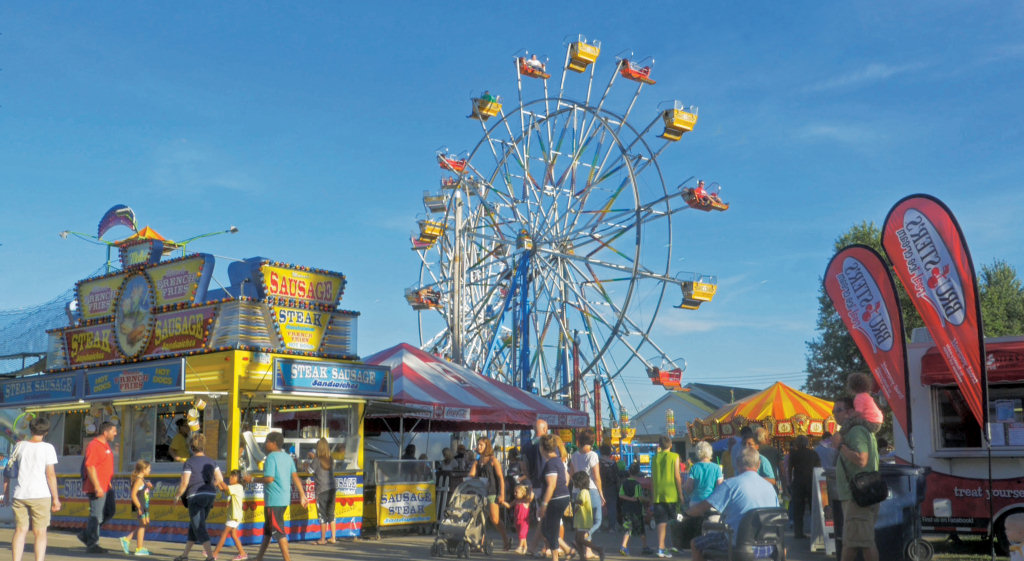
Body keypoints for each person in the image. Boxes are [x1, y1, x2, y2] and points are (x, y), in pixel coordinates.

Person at [686, 447, 780, 561]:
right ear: (759, 464)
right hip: (768, 546)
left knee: (695, 544)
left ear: (736, 463)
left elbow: (701, 508)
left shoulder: (731, 485)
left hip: (738, 545)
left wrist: (686, 513)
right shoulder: (769, 487)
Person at [6, 416, 60, 561]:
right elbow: (50, 475)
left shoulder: (20, 445)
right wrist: (56, 499)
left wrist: (5, 493)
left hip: (20, 494)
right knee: (40, 532)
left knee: (20, 530)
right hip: (41, 494)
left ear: (30, 429)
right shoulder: (48, 448)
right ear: (46, 432)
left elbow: (9, 469)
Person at [834, 397, 880, 561]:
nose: (834, 414)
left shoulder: (856, 431)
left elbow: (862, 459)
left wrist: (840, 446)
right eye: (834, 411)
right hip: (858, 496)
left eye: (838, 410)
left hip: (857, 498)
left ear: (851, 412)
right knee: (852, 542)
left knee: (861, 544)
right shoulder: (857, 430)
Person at [254, 432, 309, 561]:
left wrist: (252, 480)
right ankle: (259, 557)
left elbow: (269, 479)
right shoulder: (287, 457)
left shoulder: (271, 458)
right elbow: (295, 477)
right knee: (268, 530)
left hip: (274, 500)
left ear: (273, 443)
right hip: (284, 499)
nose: (265, 444)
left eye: (267, 441)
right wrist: (302, 495)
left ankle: (287, 559)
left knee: (278, 531)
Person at [173, 433, 224, 561]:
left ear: (191, 447)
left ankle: (211, 557)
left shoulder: (189, 462)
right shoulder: (212, 461)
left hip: (195, 496)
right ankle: (184, 555)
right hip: (210, 495)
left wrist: (177, 495)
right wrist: (210, 486)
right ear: (203, 446)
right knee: (194, 526)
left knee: (199, 527)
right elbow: (220, 479)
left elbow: (185, 483)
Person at [78, 421, 118, 553]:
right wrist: (97, 486)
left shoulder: (105, 445)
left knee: (110, 511)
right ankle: (92, 543)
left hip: (106, 485)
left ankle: (86, 534)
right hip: (97, 486)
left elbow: (104, 466)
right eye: (114, 431)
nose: (115, 433)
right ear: (105, 432)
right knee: (97, 515)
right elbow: (90, 466)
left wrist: (108, 483)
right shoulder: (94, 445)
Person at [468, 436, 510, 550]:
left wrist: (502, 494)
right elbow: (471, 475)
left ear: (487, 446)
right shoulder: (478, 461)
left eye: (481, 445)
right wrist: (474, 465)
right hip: (481, 492)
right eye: (478, 444)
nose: (479, 447)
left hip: (492, 491)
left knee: (495, 519)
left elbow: (501, 478)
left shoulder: (493, 460)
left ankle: (506, 539)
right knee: (480, 519)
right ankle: (480, 543)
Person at [537, 433, 572, 561]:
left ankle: (555, 557)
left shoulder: (551, 463)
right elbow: (567, 478)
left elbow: (551, 485)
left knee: (550, 529)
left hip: (555, 499)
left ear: (543, 448)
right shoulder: (558, 460)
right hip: (562, 496)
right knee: (547, 528)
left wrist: (544, 504)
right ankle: (567, 550)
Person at [569, 428, 603, 549]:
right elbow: (597, 477)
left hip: (576, 491)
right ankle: (585, 538)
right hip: (591, 490)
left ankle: (585, 548)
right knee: (596, 521)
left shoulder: (574, 456)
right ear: (592, 441)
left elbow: (571, 474)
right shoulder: (592, 455)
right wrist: (601, 494)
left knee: (581, 521)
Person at [651, 435, 683, 559]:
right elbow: (677, 476)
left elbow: (653, 478)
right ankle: (676, 545)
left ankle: (661, 547)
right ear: (670, 445)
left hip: (658, 494)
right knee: (677, 519)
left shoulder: (654, 458)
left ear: (659, 446)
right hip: (671, 493)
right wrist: (680, 494)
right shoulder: (674, 456)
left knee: (661, 521)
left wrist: (652, 495)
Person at [522, 418, 550, 555]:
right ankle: (547, 547)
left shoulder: (528, 445)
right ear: (545, 429)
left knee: (542, 516)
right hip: (547, 484)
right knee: (547, 518)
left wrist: (528, 477)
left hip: (535, 483)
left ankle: (545, 547)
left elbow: (524, 465)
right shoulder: (548, 443)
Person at [786, 435, 820, 539]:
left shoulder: (793, 454)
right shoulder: (813, 453)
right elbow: (818, 468)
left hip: (798, 482)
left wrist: (789, 481)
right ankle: (815, 532)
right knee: (812, 507)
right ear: (807, 443)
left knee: (798, 509)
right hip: (811, 481)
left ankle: (798, 532)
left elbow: (789, 469)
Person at [618, 463, 652, 556]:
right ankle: (645, 547)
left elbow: (620, 495)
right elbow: (639, 497)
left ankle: (623, 546)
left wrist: (629, 498)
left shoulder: (624, 483)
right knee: (641, 529)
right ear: (638, 473)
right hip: (636, 510)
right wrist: (648, 500)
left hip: (626, 509)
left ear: (629, 471)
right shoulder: (637, 484)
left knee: (628, 529)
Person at [120, 460, 153, 555]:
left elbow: (142, 492)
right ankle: (139, 548)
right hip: (140, 506)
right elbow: (133, 495)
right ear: (143, 470)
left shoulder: (142, 480)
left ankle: (127, 539)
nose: (150, 470)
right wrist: (139, 507)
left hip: (144, 506)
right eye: (149, 468)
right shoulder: (138, 480)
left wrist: (148, 486)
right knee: (142, 525)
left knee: (145, 524)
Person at [213, 470, 247, 561]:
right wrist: (218, 480)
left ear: (239, 479)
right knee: (233, 534)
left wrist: (220, 479)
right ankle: (242, 553)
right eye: (231, 476)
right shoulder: (233, 487)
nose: (231, 478)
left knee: (224, 534)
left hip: (234, 516)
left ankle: (215, 554)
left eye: (234, 476)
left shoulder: (238, 486)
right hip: (234, 515)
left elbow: (225, 487)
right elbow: (222, 489)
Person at [570, 471, 605, 561]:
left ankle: (598, 549)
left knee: (580, 540)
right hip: (581, 520)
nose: (573, 483)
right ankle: (582, 557)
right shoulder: (584, 491)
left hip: (583, 521)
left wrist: (572, 501)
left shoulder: (583, 492)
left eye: (574, 482)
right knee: (578, 540)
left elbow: (581, 502)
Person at [311, 438, 337, 544]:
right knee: (331, 513)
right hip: (332, 489)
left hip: (321, 489)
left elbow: (309, 471)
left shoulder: (317, 460)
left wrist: (307, 463)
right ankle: (333, 538)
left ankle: (322, 539)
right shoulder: (330, 459)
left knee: (322, 515)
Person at [597, 444, 620, 532]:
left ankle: (598, 526)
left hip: (600, 487)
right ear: (609, 452)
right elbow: (617, 475)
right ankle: (612, 527)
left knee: (599, 507)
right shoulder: (613, 463)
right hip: (611, 487)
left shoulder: (598, 462)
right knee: (612, 507)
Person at [512, 484, 532, 554]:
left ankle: (520, 547)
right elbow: (509, 505)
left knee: (522, 534)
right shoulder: (516, 501)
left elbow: (530, 497)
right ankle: (525, 547)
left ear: (522, 493)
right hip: (517, 521)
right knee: (522, 536)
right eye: (514, 492)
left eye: (516, 492)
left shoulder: (526, 502)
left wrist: (530, 489)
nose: (514, 494)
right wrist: (503, 503)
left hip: (524, 522)